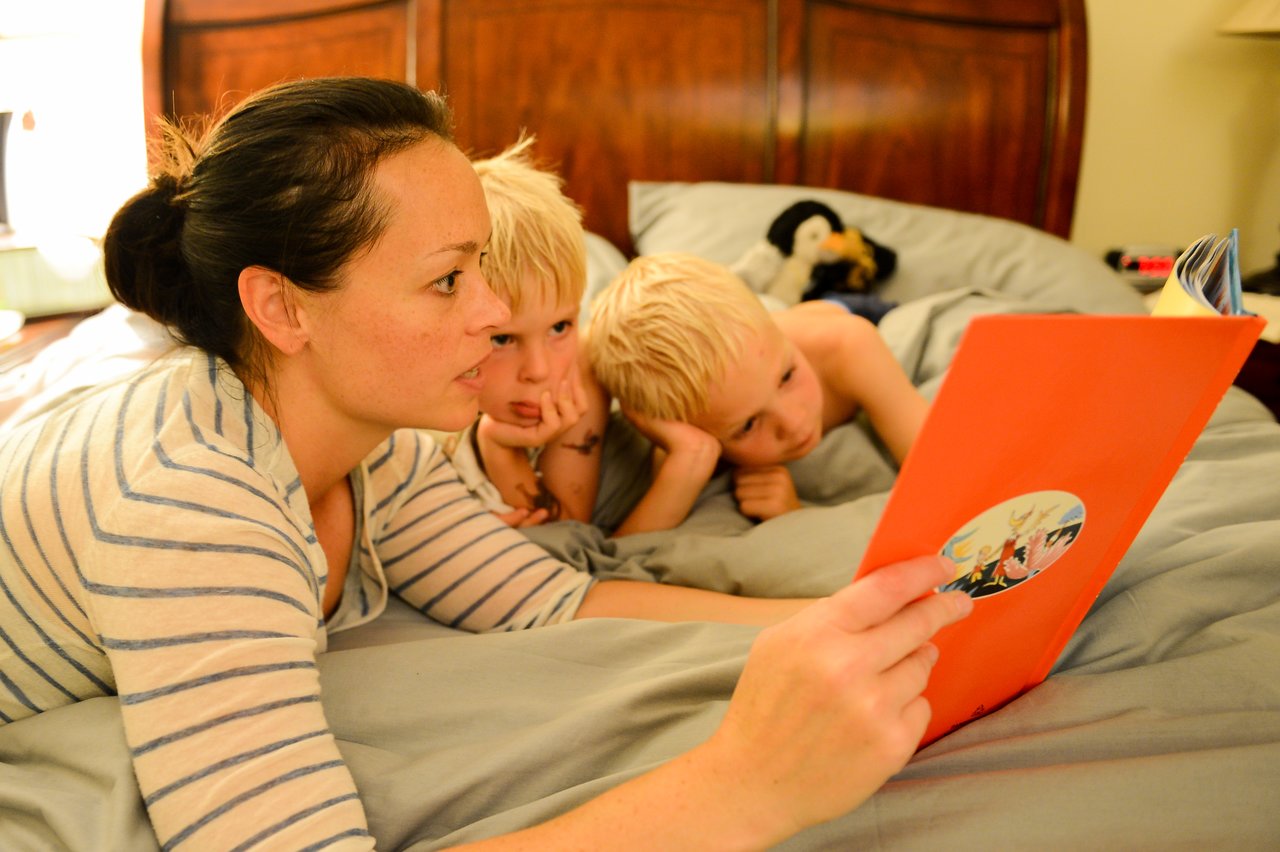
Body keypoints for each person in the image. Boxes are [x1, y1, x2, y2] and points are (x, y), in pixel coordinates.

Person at [0, 77, 969, 849]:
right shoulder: (190, 509)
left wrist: (852, 625)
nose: (492, 318)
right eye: (447, 279)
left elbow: (550, 601)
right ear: (283, 310)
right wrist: (744, 785)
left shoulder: (381, 446)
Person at [588, 252, 929, 535]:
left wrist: (798, 516)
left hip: (841, 311)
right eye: (747, 426)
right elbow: (628, 548)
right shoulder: (688, 414)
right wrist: (690, 456)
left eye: (787, 376)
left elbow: (939, 471)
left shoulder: (849, 346)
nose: (794, 422)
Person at [443, 135, 609, 527]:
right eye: (502, 339)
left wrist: (499, 447)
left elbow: (564, 530)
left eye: (560, 327)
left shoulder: (578, 379)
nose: (539, 369)